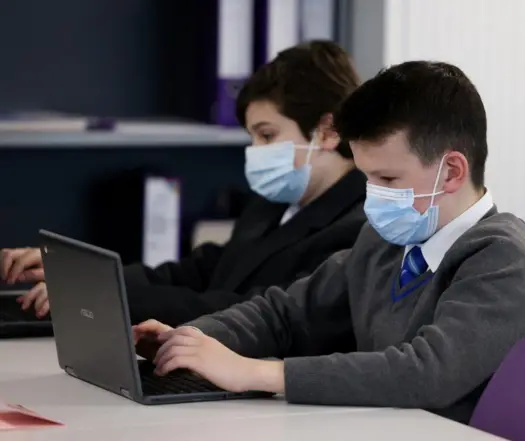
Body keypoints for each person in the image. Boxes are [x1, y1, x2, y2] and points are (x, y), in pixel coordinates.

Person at [128, 60, 525, 422]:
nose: (373, 193)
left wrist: (258, 373)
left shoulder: (503, 257)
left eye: (388, 178)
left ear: (451, 171)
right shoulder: (384, 241)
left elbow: (425, 372)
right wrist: (192, 340)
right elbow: (285, 312)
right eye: (367, 176)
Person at [0, 40, 366, 327]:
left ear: (328, 132)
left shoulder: (358, 227)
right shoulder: (275, 203)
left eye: (267, 136)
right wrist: (81, 273)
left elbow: (256, 307)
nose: (255, 152)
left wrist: (104, 294)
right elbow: (202, 273)